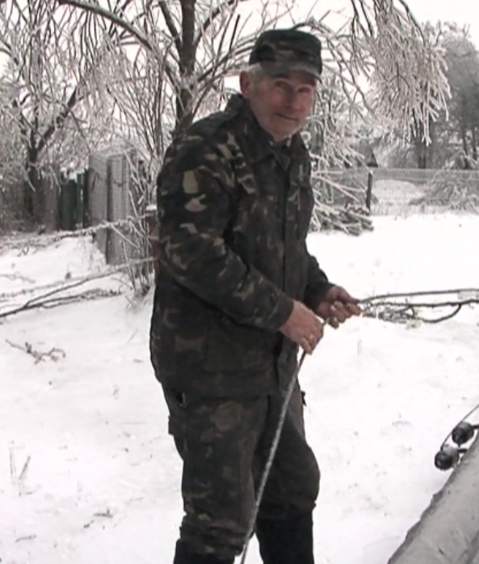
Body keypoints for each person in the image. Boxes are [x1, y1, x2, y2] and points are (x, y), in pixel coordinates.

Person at [149, 28, 362, 564]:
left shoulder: (292, 155)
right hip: (210, 368)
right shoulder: (207, 148)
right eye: (281, 85)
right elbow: (192, 255)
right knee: (221, 521)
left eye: (306, 89)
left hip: (271, 366)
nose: (294, 101)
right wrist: (284, 312)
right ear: (248, 84)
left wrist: (315, 290)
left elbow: (285, 248)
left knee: (292, 487)